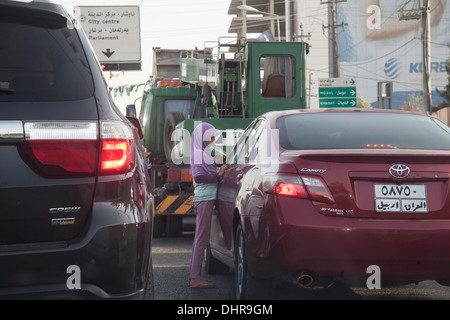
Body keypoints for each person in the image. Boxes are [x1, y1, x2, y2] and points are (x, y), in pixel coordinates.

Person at [189, 122, 227, 288]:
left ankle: (195, 276)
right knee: (202, 238)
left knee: (202, 237)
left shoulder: (203, 153)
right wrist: (219, 174)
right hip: (204, 199)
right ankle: (195, 277)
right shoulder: (199, 153)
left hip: (205, 198)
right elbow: (199, 176)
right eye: (210, 138)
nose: (212, 141)